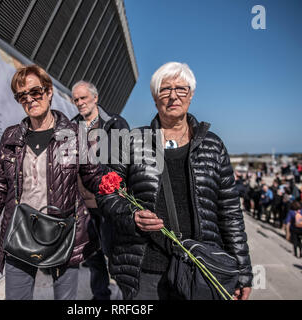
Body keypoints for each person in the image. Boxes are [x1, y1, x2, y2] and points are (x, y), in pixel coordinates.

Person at [97, 62, 253, 300]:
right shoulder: (130, 141)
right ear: (154, 98)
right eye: (164, 89)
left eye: (180, 89)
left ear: (190, 94)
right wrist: (132, 215)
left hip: (200, 270)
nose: (173, 96)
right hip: (146, 271)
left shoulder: (213, 145)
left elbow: (230, 213)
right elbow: (107, 194)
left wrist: (242, 273)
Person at [0, 65, 103, 300]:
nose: (30, 100)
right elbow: (0, 187)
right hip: (20, 231)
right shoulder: (11, 137)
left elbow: (94, 178)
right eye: (22, 96)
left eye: (36, 92)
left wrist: (120, 195)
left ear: (49, 92)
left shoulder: (76, 135)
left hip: (63, 236)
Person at [71, 80, 129, 300]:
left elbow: (124, 162)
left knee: (115, 254)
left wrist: (114, 194)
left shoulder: (114, 123)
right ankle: (101, 296)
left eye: (83, 98)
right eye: (76, 99)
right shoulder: (71, 126)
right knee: (92, 255)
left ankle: (127, 297)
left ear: (95, 98)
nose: (79, 103)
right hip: (82, 205)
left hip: (108, 203)